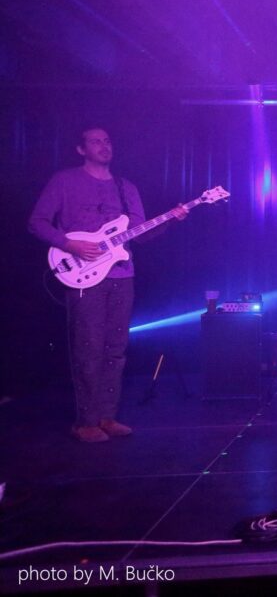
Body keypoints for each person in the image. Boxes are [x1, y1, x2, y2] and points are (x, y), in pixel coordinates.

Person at [28, 127, 188, 443]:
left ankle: (107, 416)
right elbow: (37, 222)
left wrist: (171, 219)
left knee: (116, 348)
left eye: (108, 141)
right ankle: (85, 421)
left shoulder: (125, 187)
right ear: (80, 148)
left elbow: (139, 233)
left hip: (121, 274)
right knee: (87, 346)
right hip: (83, 273)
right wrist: (69, 244)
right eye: (96, 141)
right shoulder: (64, 181)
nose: (104, 146)